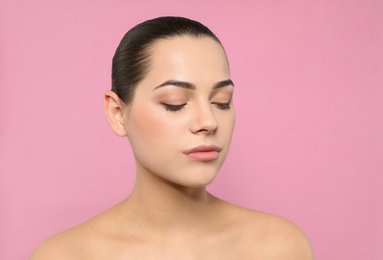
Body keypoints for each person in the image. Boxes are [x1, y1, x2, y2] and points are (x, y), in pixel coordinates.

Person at [31, 16, 314, 259]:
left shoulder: (278, 247)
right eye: (175, 102)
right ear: (118, 112)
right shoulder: (65, 255)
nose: (209, 122)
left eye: (221, 101)